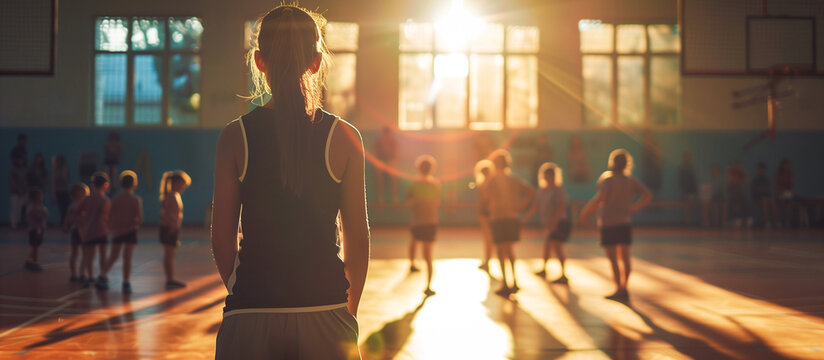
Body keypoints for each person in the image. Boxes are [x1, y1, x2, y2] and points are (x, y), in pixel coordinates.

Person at [212, 6, 369, 359]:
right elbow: (358, 239)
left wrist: (244, 289)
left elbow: (221, 238)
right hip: (324, 307)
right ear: (316, 61)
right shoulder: (345, 137)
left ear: (258, 61)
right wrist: (348, 312)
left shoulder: (233, 136)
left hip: (250, 310)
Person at [580, 149, 651, 301]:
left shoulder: (608, 179)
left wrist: (586, 212)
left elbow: (600, 198)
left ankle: (619, 288)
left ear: (612, 162)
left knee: (613, 259)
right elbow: (647, 195)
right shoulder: (630, 180)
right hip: (624, 223)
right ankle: (624, 287)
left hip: (609, 224)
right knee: (625, 258)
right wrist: (634, 209)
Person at [481, 149, 535, 297]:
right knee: (509, 250)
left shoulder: (492, 181)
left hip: (498, 218)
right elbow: (530, 191)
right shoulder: (513, 179)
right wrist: (520, 207)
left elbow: (485, 199)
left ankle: (505, 283)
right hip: (511, 217)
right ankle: (514, 281)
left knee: (500, 250)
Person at [524, 162, 571, 284]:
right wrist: (526, 219)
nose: (547, 177)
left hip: (559, 223)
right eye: (546, 175)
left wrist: (555, 224)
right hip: (548, 223)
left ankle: (563, 274)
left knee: (557, 247)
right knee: (547, 246)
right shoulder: (542, 190)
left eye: (550, 175)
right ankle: (544, 269)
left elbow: (561, 207)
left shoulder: (559, 190)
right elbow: (536, 206)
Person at [102, 171, 143, 294]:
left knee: (113, 256)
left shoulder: (116, 199)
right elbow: (140, 219)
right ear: (134, 185)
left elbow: (109, 216)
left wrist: (113, 226)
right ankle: (126, 282)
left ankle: (102, 275)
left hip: (118, 231)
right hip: (130, 231)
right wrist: (133, 224)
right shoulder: (136, 199)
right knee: (127, 257)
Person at [406, 155, 441, 296]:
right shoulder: (435, 185)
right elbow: (436, 202)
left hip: (418, 221)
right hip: (430, 222)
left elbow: (409, 203)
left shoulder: (414, 185)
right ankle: (428, 285)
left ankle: (412, 263)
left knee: (414, 242)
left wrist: (419, 202)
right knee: (428, 256)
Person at [159, 170, 190, 289]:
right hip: (169, 229)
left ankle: (170, 278)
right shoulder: (171, 196)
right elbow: (164, 214)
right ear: (176, 183)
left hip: (171, 229)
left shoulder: (174, 195)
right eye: (183, 185)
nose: (184, 188)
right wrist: (172, 226)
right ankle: (170, 279)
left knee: (170, 255)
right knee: (169, 255)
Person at [81, 172, 111, 290]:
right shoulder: (105, 200)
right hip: (101, 230)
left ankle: (90, 276)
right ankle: (102, 275)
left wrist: (86, 219)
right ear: (106, 185)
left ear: (92, 185)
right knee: (103, 254)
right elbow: (106, 216)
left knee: (89, 255)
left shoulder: (87, 199)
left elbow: (78, 211)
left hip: (89, 230)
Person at [65, 183, 89, 282]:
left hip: (84, 231)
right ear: (74, 195)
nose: (81, 195)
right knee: (74, 253)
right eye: (79, 193)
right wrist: (66, 225)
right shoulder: (73, 205)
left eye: (83, 193)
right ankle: (74, 274)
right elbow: (67, 217)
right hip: (76, 231)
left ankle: (82, 273)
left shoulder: (87, 205)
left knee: (85, 253)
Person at [474, 159, 495, 271]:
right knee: (488, 239)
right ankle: (487, 261)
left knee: (490, 239)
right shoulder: (484, 184)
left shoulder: (488, 184)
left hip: (488, 214)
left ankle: (489, 261)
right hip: (485, 213)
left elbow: (487, 199)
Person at [24, 188, 49, 272]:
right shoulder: (32, 206)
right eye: (40, 196)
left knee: (36, 246)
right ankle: (35, 262)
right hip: (34, 229)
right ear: (34, 197)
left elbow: (46, 214)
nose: (41, 197)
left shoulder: (41, 205)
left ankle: (28, 261)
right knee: (35, 247)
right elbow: (39, 214)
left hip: (40, 229)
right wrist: (42, 213)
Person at [374, 126, 399, 205]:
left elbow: (395, 155)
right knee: (379, 178)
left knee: (393, 179)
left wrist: (391, 162)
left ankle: (395, 198)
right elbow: (375, 154)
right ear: (383, 134)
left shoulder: (393, 142)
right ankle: (380, 199)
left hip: (391, 161)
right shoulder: (378, 142)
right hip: (381, 161)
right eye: (385, 134)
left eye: (388, 134)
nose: (387, 136)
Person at [727, 160, 749, 228]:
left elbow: (746, 181)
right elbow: (730, 182)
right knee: (735, 203)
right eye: (735, 165)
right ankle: (735, 219)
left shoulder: (742, 173)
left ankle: (745, 219)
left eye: (738, 165)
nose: (737, 166)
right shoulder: (730, 172)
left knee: (744, 203)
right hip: (733, 194)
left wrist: (740, 182)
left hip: (740, 193)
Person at [678, 151, 698, 225]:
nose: (688, 158)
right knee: (686, 205)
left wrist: (694, 189)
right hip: (685, 189)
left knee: (690, 205)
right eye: (686, 157)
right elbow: (680, 178)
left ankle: (688, 220)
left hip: (691, 189)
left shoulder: (692, 167)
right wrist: (682, 187)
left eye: (689, 157)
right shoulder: (682, 167)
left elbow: (694, 179)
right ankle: (686, 220)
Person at [775, 159, 796, 227]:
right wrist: (780, 191)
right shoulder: (779, 174)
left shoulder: (790, 174)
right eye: (785, 165)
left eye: (788, 165)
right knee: (781, 202)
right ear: (782, 166)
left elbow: (791, 185)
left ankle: (788, 221)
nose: (787, 166)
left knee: (789, 203)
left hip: (788, 192)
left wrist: (792, 192)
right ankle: (779, 221)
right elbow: (776, 185)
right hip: (780, 192)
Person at [9, 156, 28, 230]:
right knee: (14, 208)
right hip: (15, 193)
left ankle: (21, 223)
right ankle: (13, 224)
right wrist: (17, 189)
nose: (20, 162)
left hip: (24, 192)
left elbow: (27, 181)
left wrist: (25, 190)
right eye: (19, 160)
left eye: (22, 160)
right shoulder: (13, 170)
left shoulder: (25, 170)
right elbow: (11, 181)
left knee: (22, 209)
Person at [52, 155, 71, 224]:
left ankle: (66, 222)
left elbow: (66, 180)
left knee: (66, 208)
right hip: (59, 191)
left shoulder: (65, 169)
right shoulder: (55, 170)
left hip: (65, 191)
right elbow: (53, 183)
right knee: (61, 208)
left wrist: (63, 172)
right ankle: (63, 222)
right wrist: (54, 194)